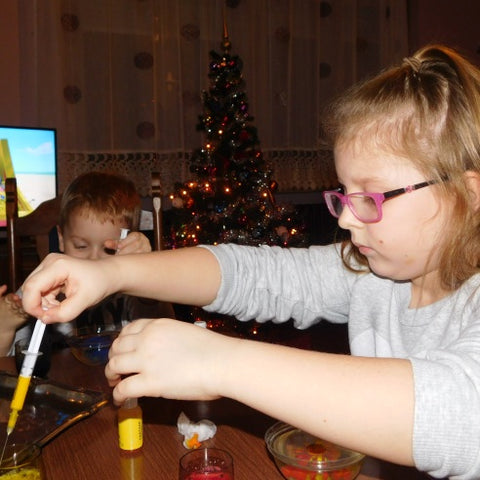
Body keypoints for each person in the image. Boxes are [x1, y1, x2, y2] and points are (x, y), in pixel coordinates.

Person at [21, 45, 480, 479]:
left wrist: (217, 362)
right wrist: (111, 272)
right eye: (343, 195)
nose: (347, 220)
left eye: (371, 198)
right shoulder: (372, 271)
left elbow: (459, 411)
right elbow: (259, 276)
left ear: (469, 195)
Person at [3, 171, 175, 354]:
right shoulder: (42, 288)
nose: (94, 260)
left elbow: (166, 333)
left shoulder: (130, 289)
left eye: (109, 249)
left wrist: (143, 271)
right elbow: (10, 360)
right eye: (81, 246)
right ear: (61, 239)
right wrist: (3, 328)